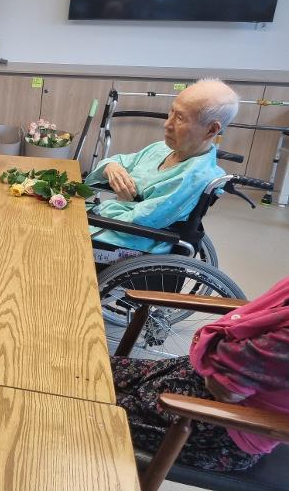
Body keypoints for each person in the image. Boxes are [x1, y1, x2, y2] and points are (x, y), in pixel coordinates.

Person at [112, 276, 289, 471]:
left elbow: (225, 389)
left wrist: (215, 339)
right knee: (89, 368)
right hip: (188, 374)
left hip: (217, 424)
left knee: (90, 411)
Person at [85, 78, 240, 253]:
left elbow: (140, 221)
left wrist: (100, 211)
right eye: (171, 111)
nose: (167, 124)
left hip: (130, 238)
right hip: (112, 222)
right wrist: (111, 167)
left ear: (211, 130)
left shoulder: (195, 178)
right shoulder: (161, 149)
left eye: (179, 118)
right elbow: (121, 161)